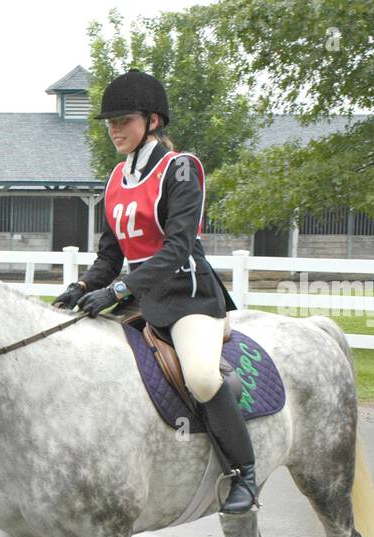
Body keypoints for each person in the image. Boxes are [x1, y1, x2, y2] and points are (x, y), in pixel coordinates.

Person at [53, 68, 259, 514]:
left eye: (122, 119)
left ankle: (244, 474)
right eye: (109, 122)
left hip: (188, 296)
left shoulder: (180, 169)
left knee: (202, 376)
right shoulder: (113, 180)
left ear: (152, 120)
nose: (113, 129)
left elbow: (177, 246)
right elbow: (111, 255)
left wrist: (120, 288)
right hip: (140, 297)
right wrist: (87, 284)